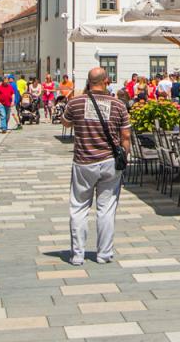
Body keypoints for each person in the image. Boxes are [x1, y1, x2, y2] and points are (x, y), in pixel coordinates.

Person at [64, 67, 131, 266]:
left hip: (84, 162)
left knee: (79, 208)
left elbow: (65, 123)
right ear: (106, 81)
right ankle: (104, 254)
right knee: (106, 209)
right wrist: (124, 157)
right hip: (110, 161)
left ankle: (77, 254)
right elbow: (126, 136)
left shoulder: (76, 102)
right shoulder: (118, 105)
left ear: (88, 81)